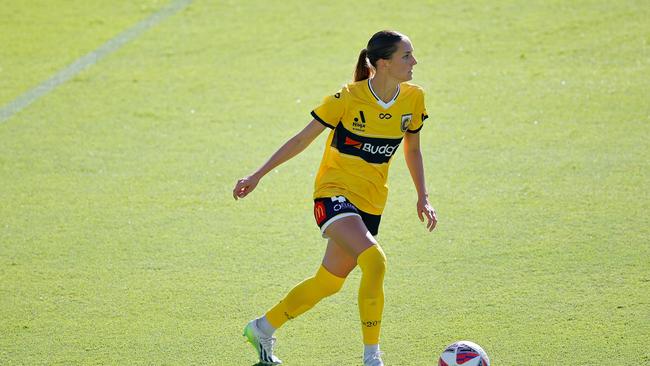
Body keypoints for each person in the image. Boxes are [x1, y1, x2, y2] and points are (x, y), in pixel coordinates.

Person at [233, 30, 437, 366]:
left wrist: (422, 196)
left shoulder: (414, 99)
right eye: (407, 56)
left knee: (328, 282)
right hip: (333, 195)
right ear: (384, 63)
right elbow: (302, 139)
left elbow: (412, 148)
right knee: (375, 261)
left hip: (371, 203)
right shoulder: (346, 99)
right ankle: (372, 357)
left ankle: (262, 327)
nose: (414, 62)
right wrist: (257, 174)